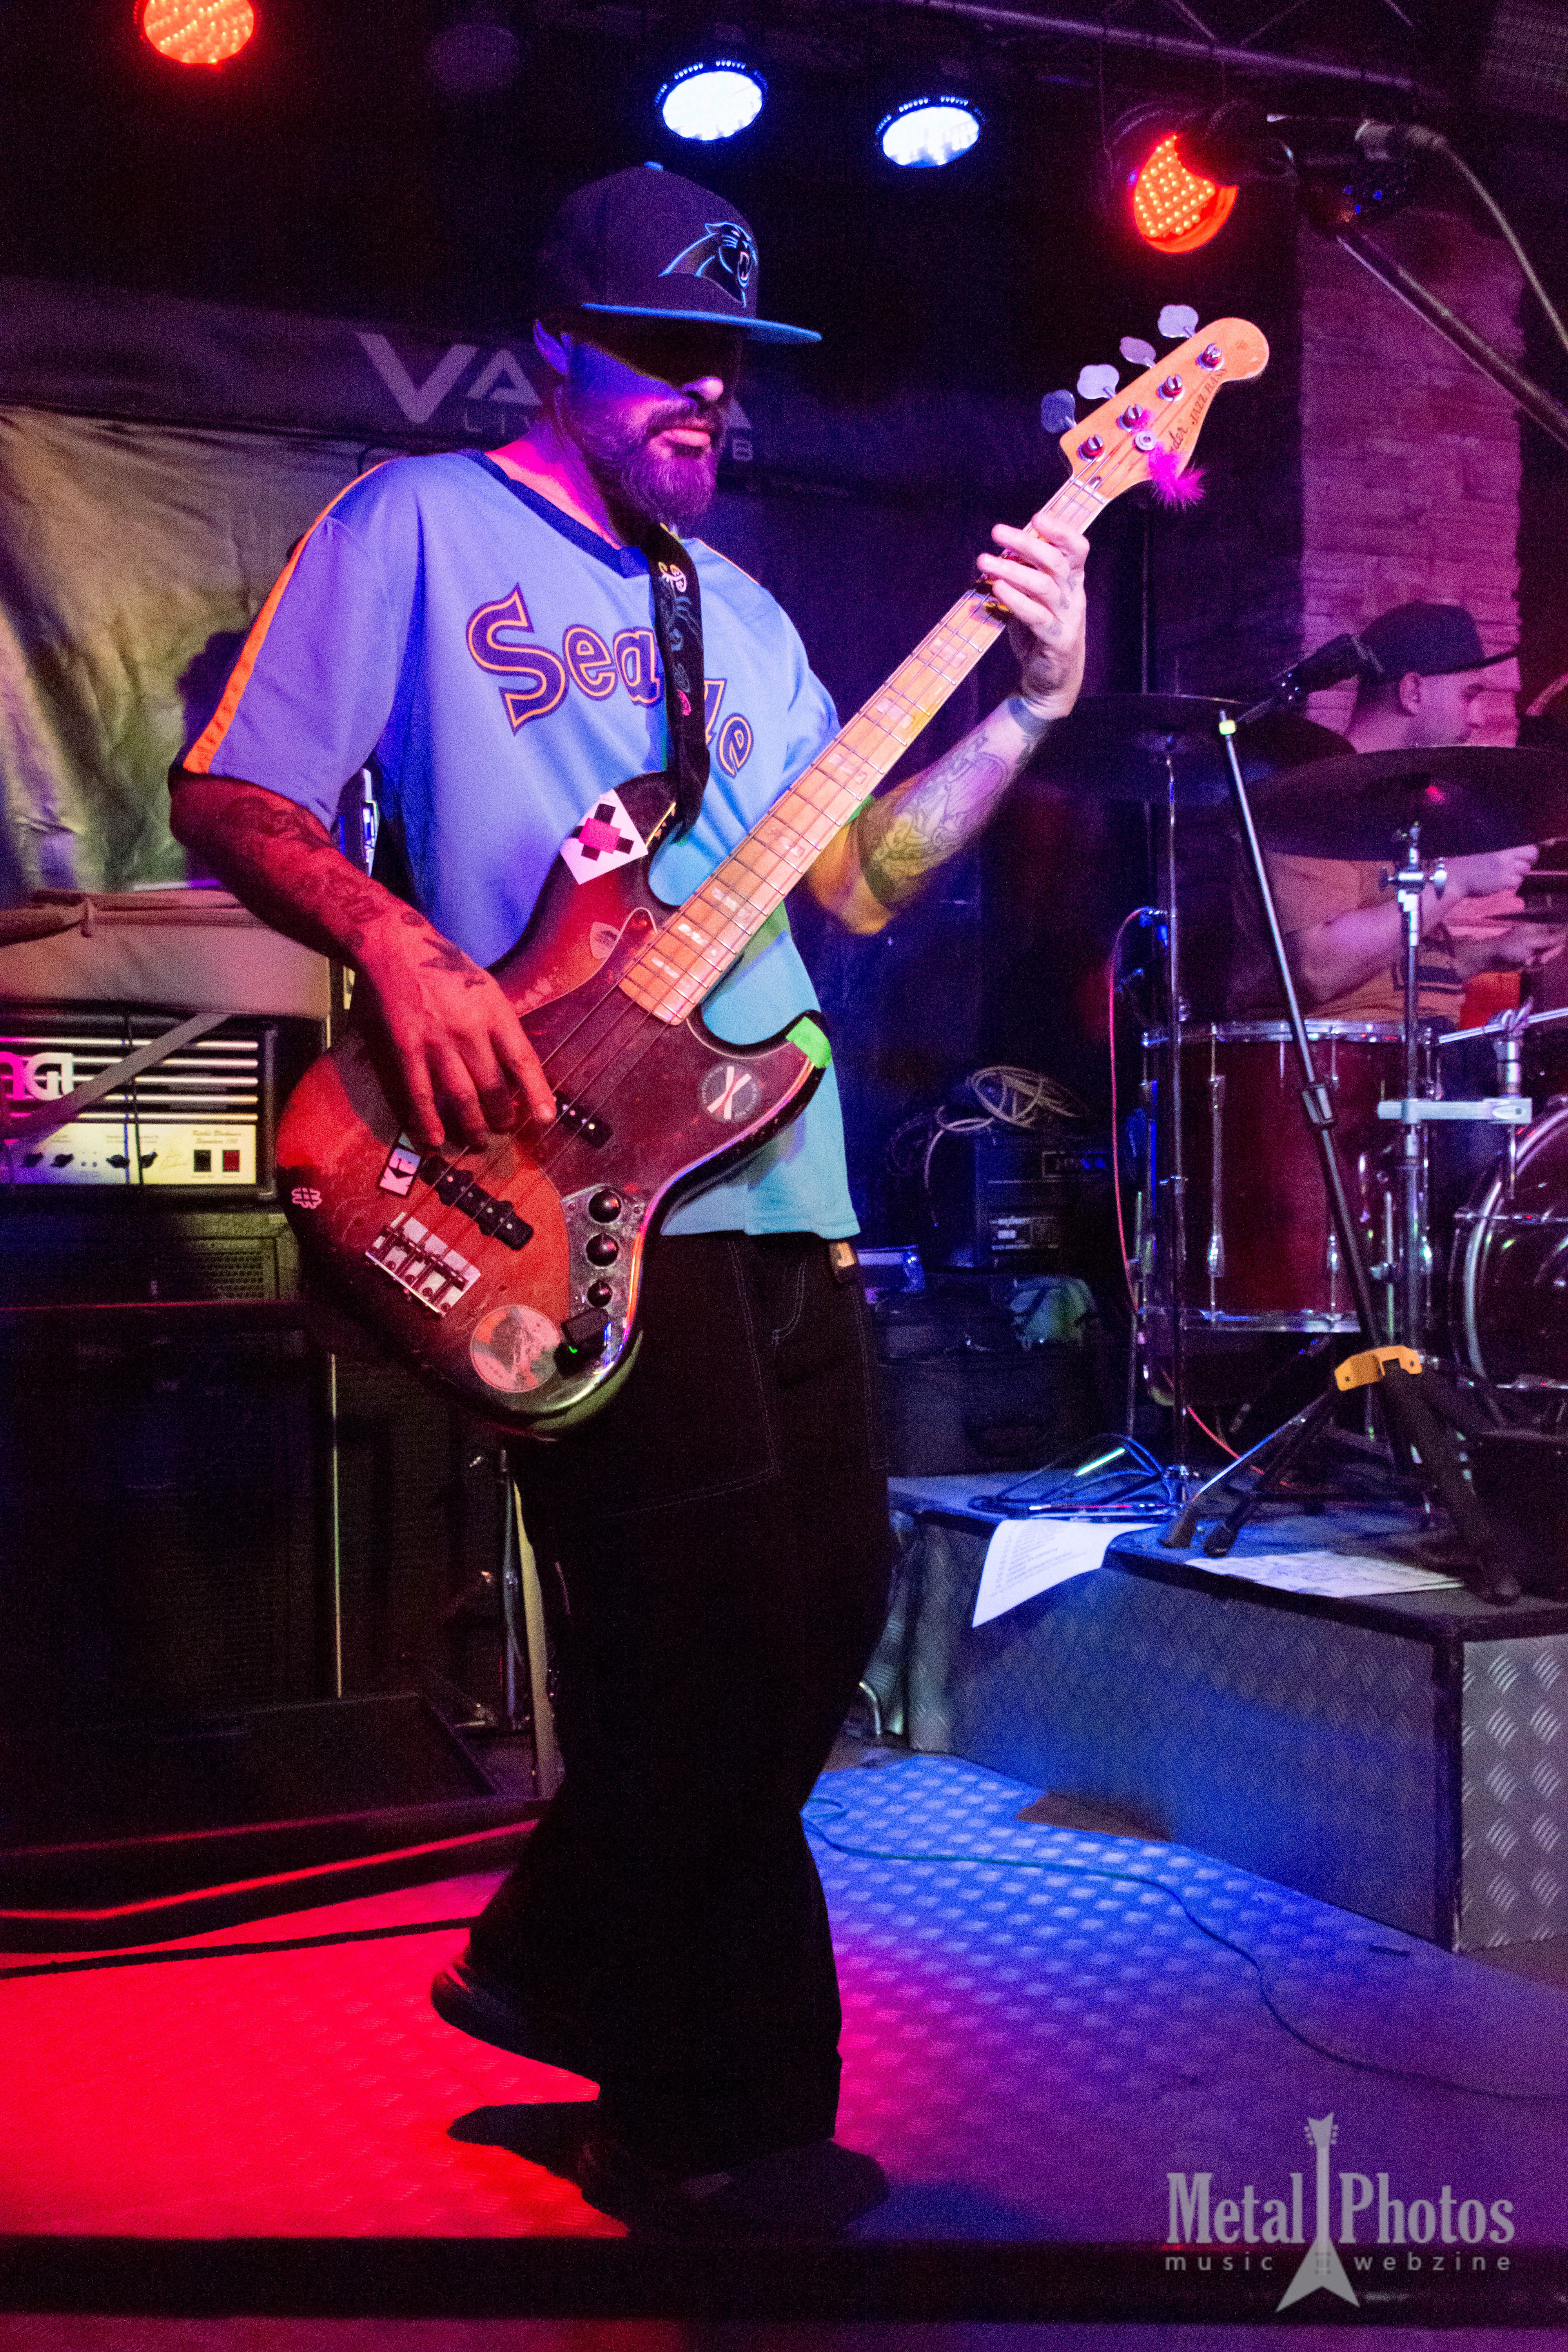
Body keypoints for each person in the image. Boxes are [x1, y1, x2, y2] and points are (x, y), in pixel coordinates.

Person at [168, 165, 1089, 2235]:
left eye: (731, 364)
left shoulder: (745, 615)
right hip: (569, 1175)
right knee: (703, 1639)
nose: (708, 394)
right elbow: (234, 789)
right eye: (666, 355)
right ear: (555, 349)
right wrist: (404, 951)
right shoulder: (417, 525)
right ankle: (707, 2127)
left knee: (818, 1621)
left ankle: (562, 1958)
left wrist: (1031, 709)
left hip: (781, 1176)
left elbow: (860, 882)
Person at [1254, 601, 1564, 1020]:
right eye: (1469, 696)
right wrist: (1456, 881)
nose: (1478, 718)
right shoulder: (1317, 799)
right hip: (1352, 1053)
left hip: (1430, 1039)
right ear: (1413, 692)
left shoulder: (1409, 802)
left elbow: (1394, 971)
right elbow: (1319, 969)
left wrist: (1491, 951)